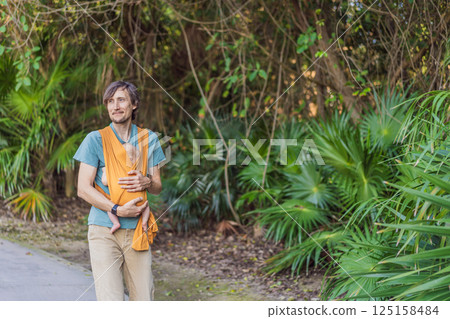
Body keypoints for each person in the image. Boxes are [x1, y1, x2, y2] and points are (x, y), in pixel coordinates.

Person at [73, 80, 166, 301]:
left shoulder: (148, 139)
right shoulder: (95, 140)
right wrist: (116, 209)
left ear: (134, 104)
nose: (115, 106)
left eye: (121, 100)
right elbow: (83, 189)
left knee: (144, 299)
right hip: (104, 231)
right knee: (110, 301)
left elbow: (158, 186)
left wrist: (146, 182)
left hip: (137, 232)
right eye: (110, 101)